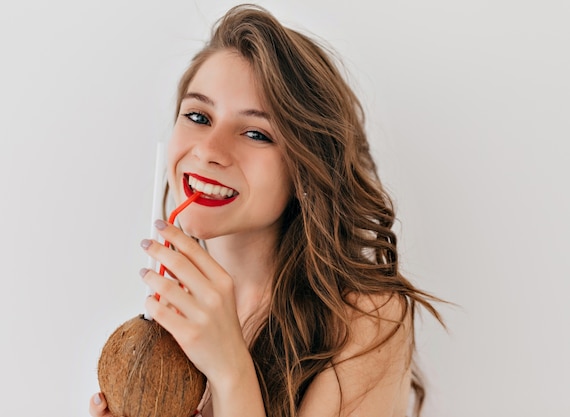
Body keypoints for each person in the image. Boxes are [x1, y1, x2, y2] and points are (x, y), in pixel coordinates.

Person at [90, 4, 442, 417]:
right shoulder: (169, 322)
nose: (208, 150)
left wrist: (231, 371)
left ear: (305, 168)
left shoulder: (367, 319)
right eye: (198, 116)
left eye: (256, 132)